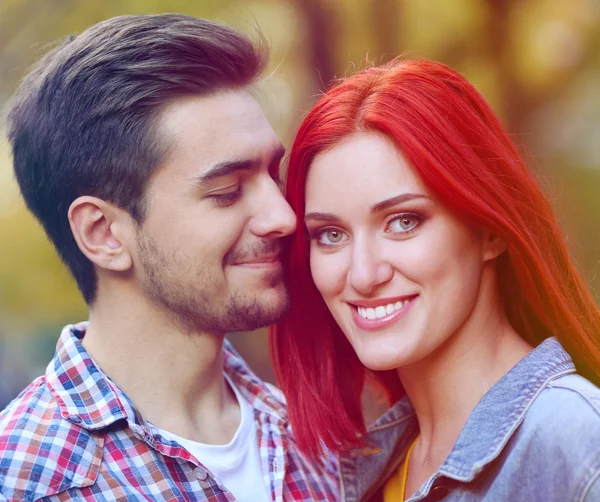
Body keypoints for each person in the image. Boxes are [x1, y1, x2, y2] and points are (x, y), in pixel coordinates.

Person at [0, 14, 338, 501]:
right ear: (104, 234)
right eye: (226, 191)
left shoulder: (317, 445)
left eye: (272, 174)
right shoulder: (28, 481)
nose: (282, 216)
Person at [271, 59, 600, 501]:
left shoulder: (577, 443)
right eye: (331, 235)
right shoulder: (367, 468)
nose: (364, 275)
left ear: (490, 230)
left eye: (403, 221)